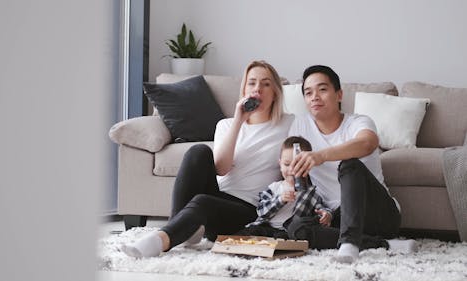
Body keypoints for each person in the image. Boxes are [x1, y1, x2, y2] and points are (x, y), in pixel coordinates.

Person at [121, 60, 295, 258]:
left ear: (275, 92)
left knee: (202, 202)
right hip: (219, 198)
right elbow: (221, 168)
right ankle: (179, 227)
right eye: (252, 83)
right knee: (199, 151)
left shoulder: (289, 124)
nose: (258, 89)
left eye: (266, 84)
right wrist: (238, 120)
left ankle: (161, 239)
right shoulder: (226, 125)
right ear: (244, 88)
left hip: (250, 210)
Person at [289, 65, 417, 263]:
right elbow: (293, 167)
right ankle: (385, 245)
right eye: (308, 93)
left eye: (322, 89)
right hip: (335, 218)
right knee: (296, 228)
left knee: (350, 165)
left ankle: (350, 244)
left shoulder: (359, 122)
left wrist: (321, 156)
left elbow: (367, 143)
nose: (314, 96)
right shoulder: (300, 126)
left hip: (376, 214)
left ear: (339, 94)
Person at [235, 136, 333, 239]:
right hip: (265, 227)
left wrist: (327, 215)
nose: (292, 169)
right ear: (280, 164)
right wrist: (280, 200)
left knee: (286, 238)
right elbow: (261, 211)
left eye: (298, 164)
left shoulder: (311, 193)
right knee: (249, 232)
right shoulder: (274, 188)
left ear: (308, 166)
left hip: (288, 232)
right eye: (287, 164)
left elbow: (322, 209)